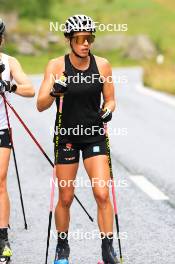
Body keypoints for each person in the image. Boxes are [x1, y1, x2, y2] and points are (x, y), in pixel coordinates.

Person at [37, 14, 118, 264]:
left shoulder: (102, 65)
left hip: (94, 134)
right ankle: (63, 247)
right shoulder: (55, 66)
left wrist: (109, 109)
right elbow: (40, 104)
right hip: (67, 137)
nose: (86, 44)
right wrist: (54, 91)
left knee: (102, 194)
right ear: (69, 40)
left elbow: (111, 98)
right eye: (81, 39)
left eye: (90, 38)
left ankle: (107, 251)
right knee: (65, 197)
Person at [0, 19, 35, 261]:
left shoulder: (9, 61)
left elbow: (30, 89)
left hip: (1, 129)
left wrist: (7, 86)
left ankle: (2, 239)